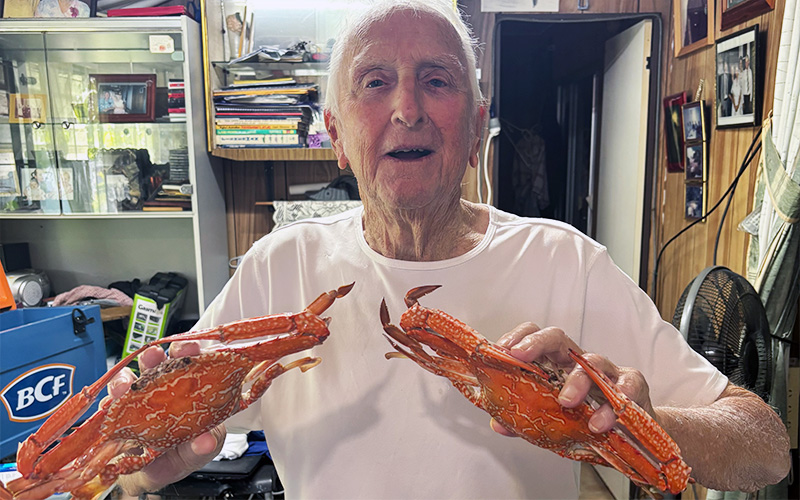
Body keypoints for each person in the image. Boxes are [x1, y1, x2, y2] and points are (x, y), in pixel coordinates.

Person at [112, 1, 790, 498]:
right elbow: (146, 445)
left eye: (436, 80)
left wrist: (640, 420)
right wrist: (145, 457)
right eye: (374, 83)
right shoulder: (277, 268)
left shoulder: (564, 263)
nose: (407, 107)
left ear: (474, 130)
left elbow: (767, 447)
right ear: (336, 136)